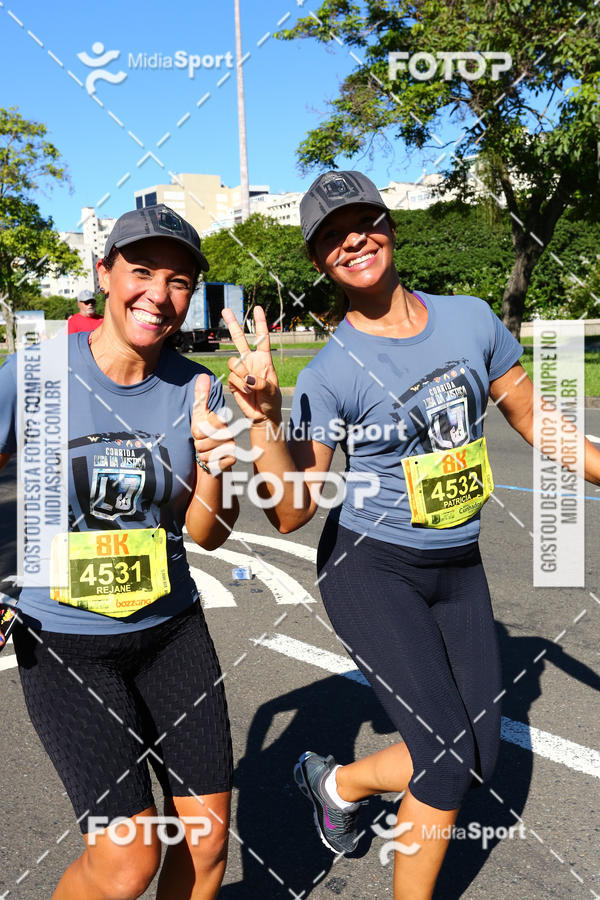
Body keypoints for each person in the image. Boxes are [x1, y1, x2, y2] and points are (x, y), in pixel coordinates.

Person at [222, 171, 600, 899]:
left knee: (475, 754)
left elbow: (535, 420)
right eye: (332, 235)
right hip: (372, 568)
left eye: (363, 221)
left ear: (390, 226)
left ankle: (334, 785)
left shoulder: (472, 319)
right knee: (447, 758)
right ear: (318, 261)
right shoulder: (331, 372)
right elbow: (294, 510)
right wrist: (266, 416)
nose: (352, 239)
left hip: (459, 566)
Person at [0, 203, 239, 900]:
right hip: (67, 643)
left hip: (172, 631)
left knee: (207, 842)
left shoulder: (199, 387)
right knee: (130, 861)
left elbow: (207, 534)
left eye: (180, 281)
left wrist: (216, 464)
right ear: (104, 274)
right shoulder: (38, 373)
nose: (158, 296)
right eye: (141, 273)